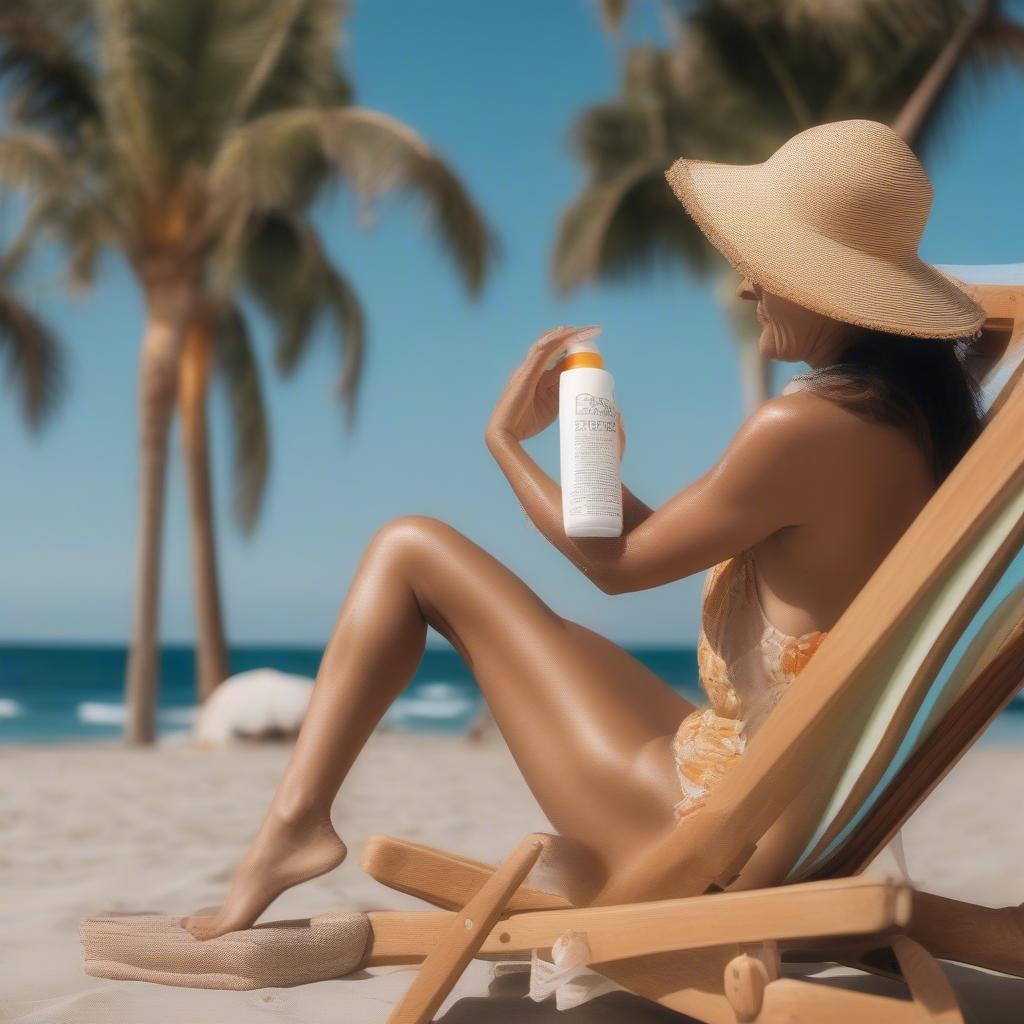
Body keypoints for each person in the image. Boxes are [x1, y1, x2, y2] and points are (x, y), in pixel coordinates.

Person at [184, 119, 986, 940]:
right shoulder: (916, 430)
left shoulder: (803, 429)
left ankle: (293, 826)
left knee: (408, 550)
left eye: (765, 262)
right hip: (786, 813)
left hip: (710, 841)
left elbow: (620, 566)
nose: (747, 286)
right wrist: (587, 469)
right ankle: (293, 828)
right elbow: (660, 538)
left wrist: (504, 441)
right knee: (538, 631)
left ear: (829, 283)